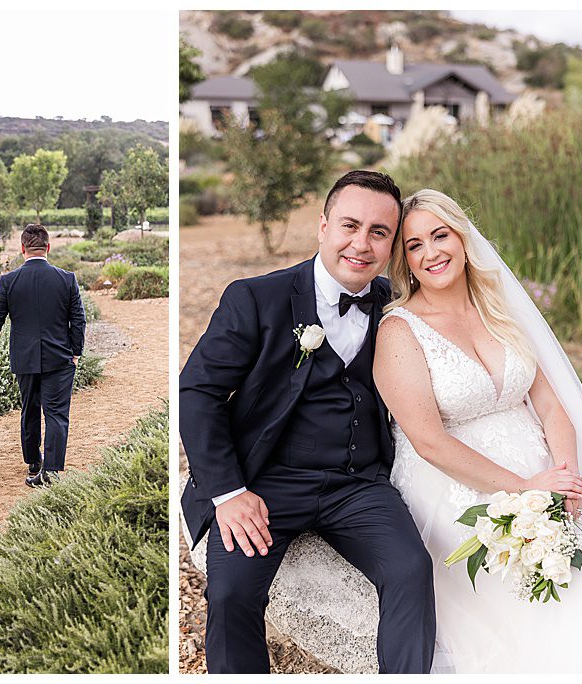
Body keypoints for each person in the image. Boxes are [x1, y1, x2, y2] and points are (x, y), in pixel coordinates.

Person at [180, 170, 435, 674]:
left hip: (358, 485)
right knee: (230, 594)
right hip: (265, 482)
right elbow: (198, 391)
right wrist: (229, 493)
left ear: (392, 246)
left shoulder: (396, 306)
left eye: (379, 232)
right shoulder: (256, 298)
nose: (361, 244)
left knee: (411, 569)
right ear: (323, 226)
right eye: (350, 225)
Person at [374, 189, 582, 673]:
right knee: (559, 589)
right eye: (414, 245)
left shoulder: (499, 310)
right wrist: (526, 492)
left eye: (440, 235)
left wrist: (567, 480)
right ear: (405, 262)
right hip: (452, 485)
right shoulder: (399, 331)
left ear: (463, 239)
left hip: (541, 466)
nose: (431, 252)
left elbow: (551, 407)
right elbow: (429, 441)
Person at [0, 223, 86, 487]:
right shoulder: (66, 279)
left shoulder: (9, 281)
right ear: (48, 247)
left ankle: (34, 463)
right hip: (59, 358)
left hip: (24, 359)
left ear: (22, 248)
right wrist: (76, 352)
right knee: (57, 413)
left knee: (30, 410)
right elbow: (78, 320)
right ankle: (51, 471)